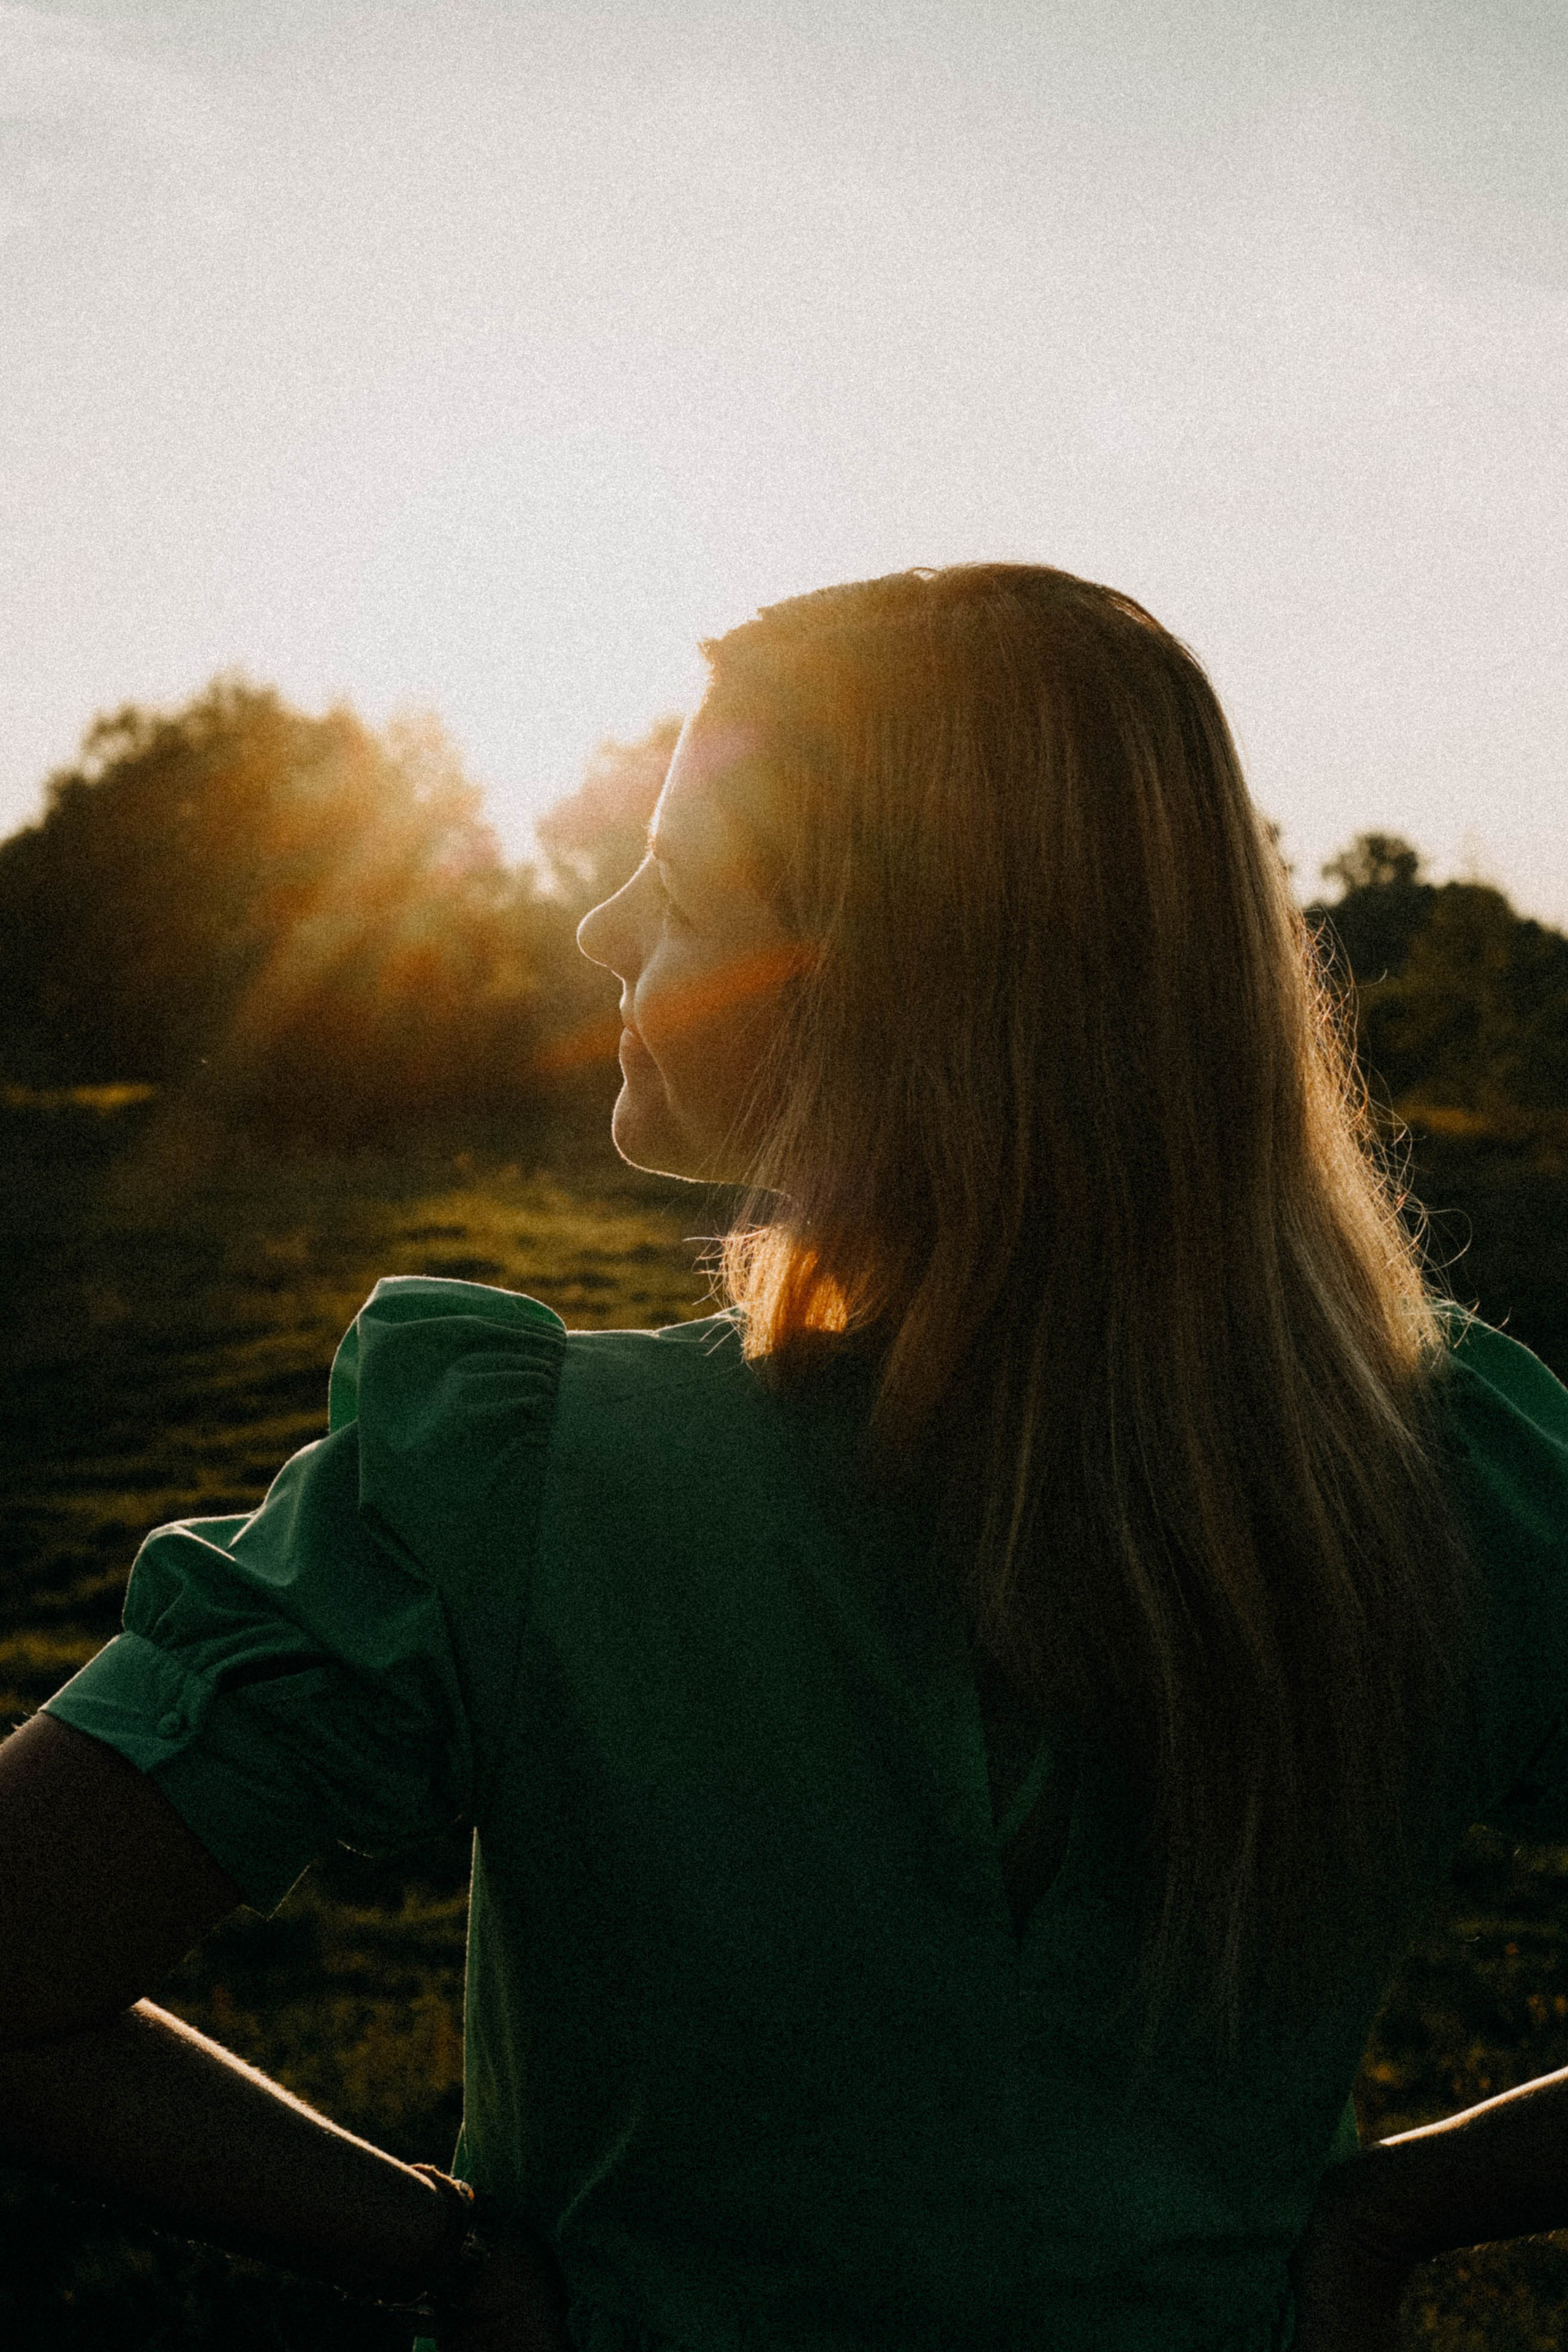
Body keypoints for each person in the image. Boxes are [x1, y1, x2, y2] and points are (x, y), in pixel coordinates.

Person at [4, 562, 1568, 2352]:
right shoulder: (1452, 1483)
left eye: (671, 897)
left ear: (884, 989)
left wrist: (440, 2252)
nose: (600, 932)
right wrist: (1404, 2212)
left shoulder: (507, 1494)